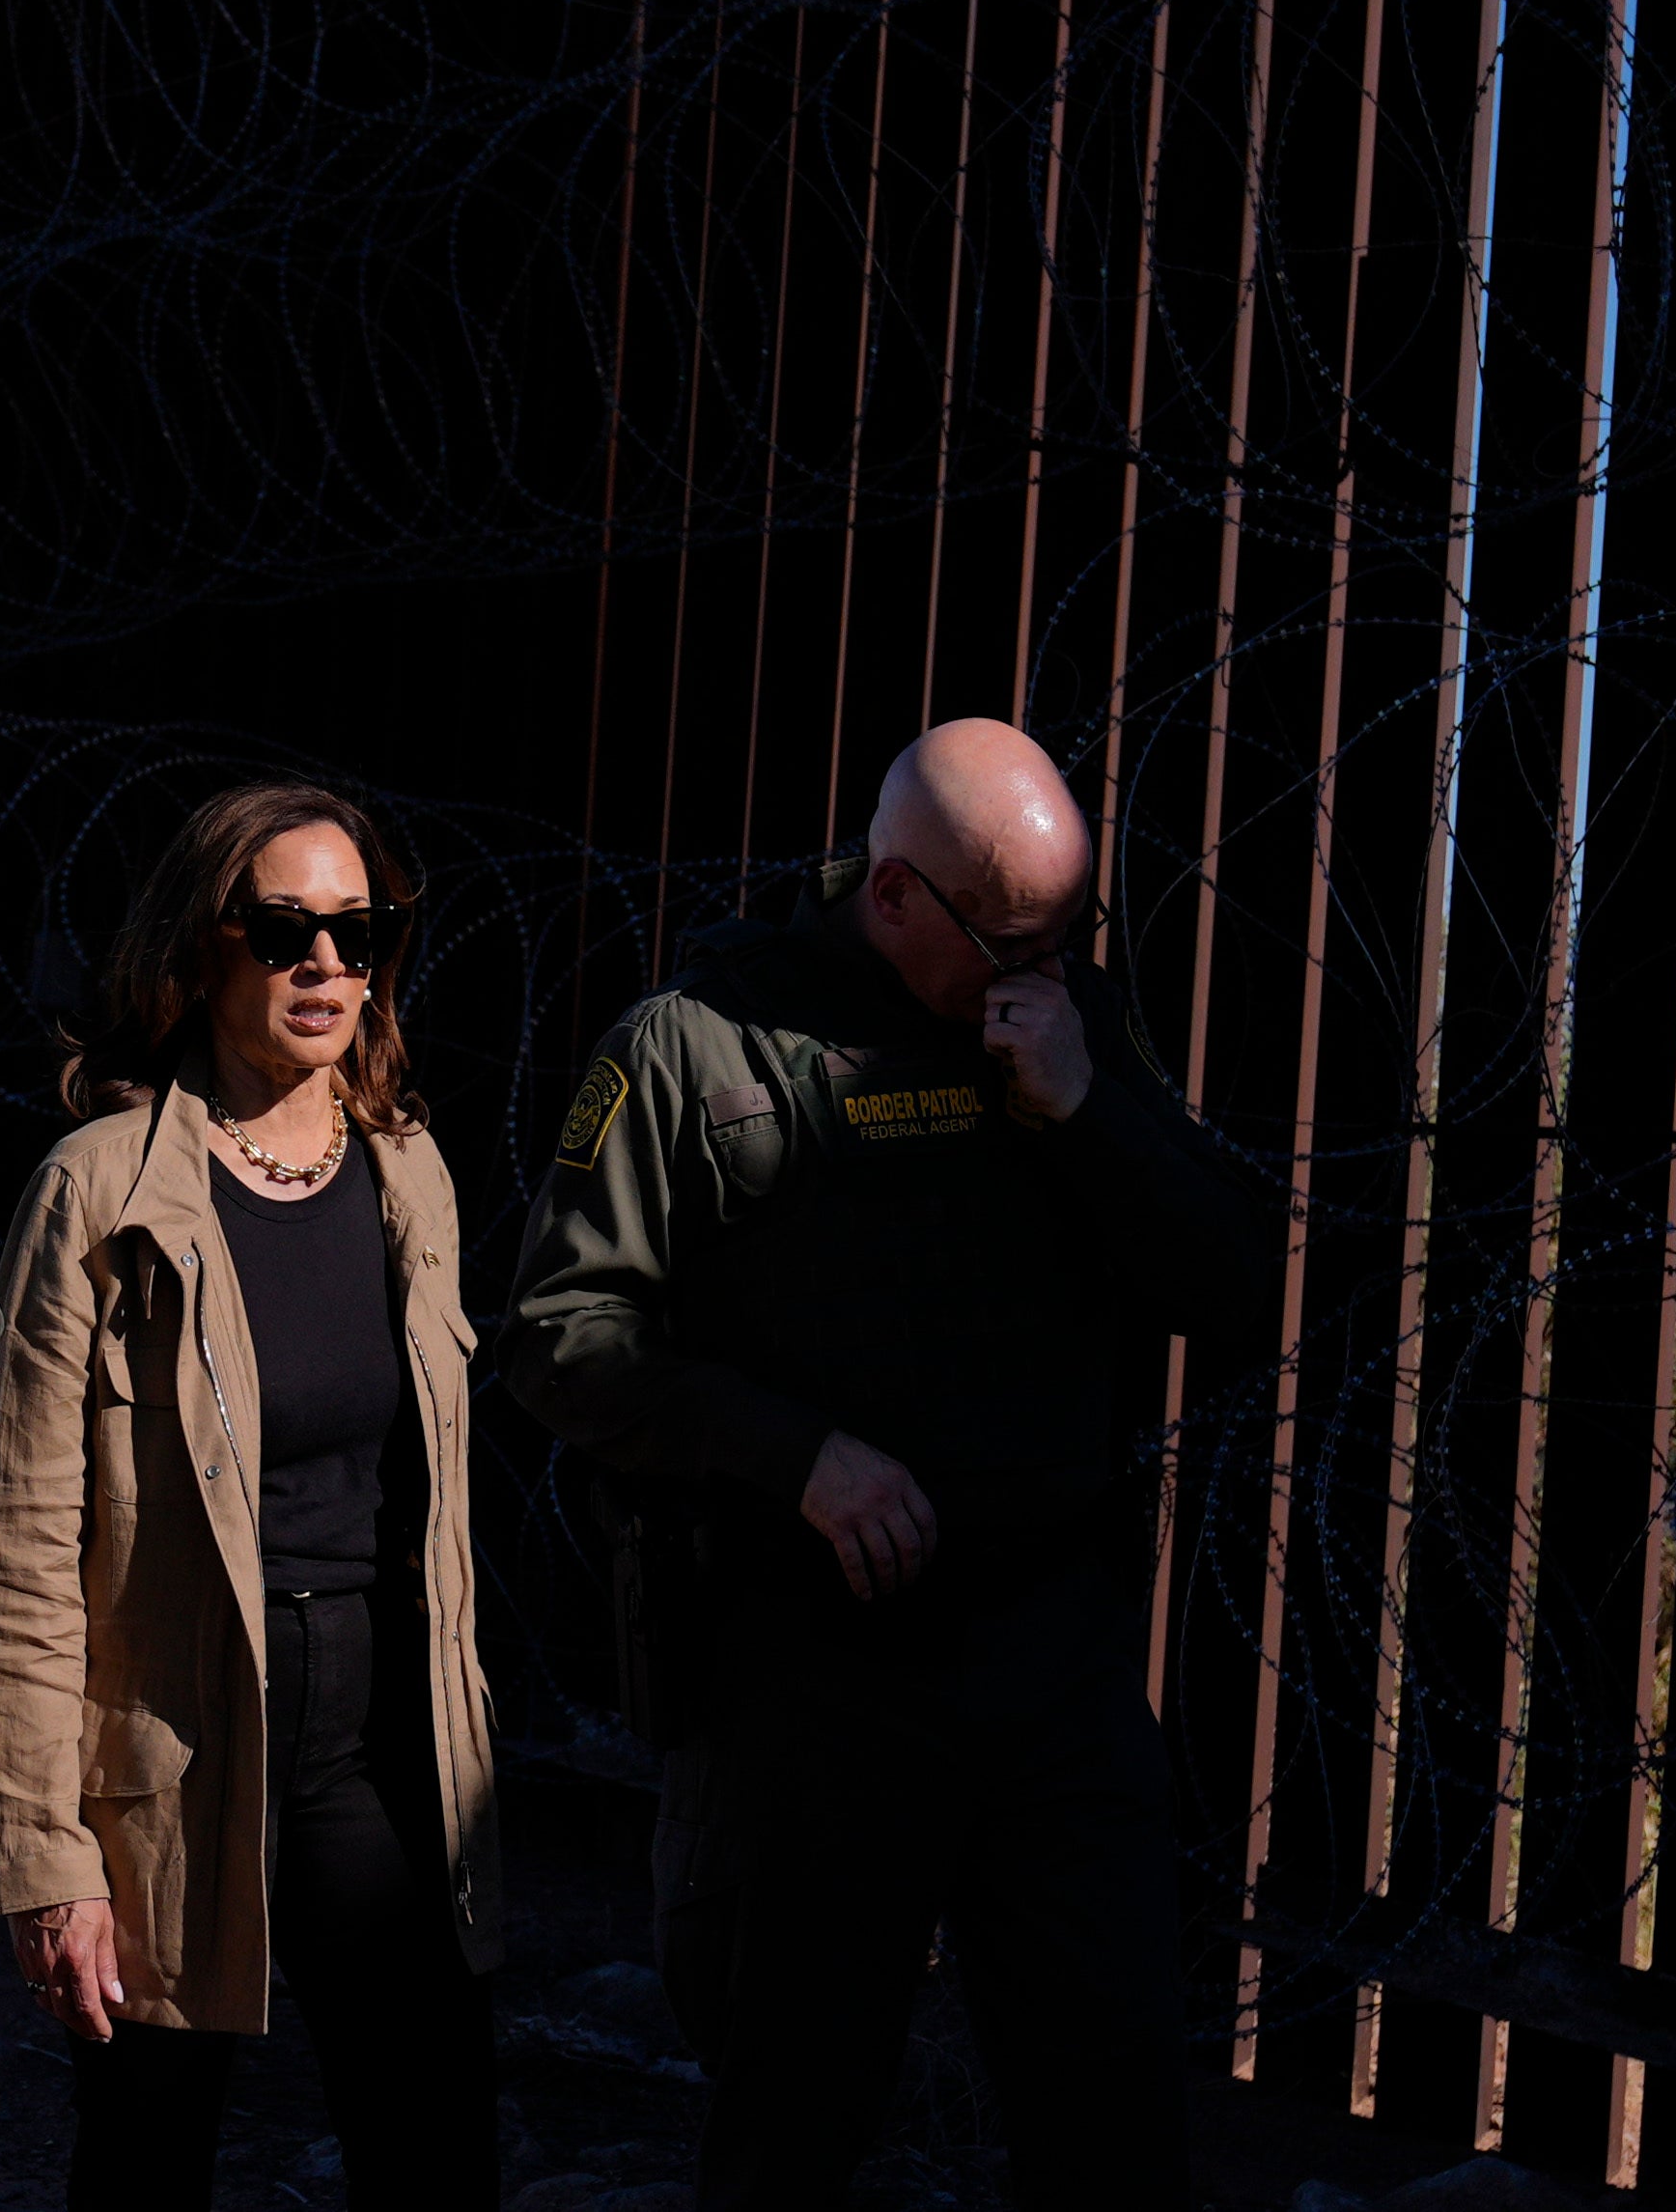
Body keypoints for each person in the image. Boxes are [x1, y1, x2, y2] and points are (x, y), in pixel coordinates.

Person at [502, 717, 1278, 2206]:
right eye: (1005, 936)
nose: (1033, 967)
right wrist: (792, 1455)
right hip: (811, 1681)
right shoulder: (702, 1040)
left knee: (1111, 2121)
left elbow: (1229, 1289)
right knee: (791, 2119)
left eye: (1065, 933)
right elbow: (556, 1335)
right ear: (896, 891)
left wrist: (1086, 1115)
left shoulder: (1067, 1028)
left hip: (1050, 1665)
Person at [0, 780, 506, 2209]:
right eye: (285, 931)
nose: (328, 964)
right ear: (202, 949)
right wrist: (45, 1856)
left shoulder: (409, 1172)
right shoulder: (98, 1193)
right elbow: (25, 1546)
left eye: (361, 929)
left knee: (435, 2138)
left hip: (373, 1742)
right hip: (174, 1743)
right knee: (148, 2157)